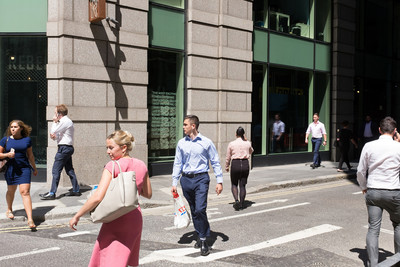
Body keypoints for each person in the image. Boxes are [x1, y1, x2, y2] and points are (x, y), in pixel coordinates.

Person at [69, 130, 152, 267]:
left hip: (116, 218)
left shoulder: (112, 166)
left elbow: (97, 197)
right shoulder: (141, 165)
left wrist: (78, 215)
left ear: (123, 148)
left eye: (111, 148)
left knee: (108, 260)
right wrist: (132, 187)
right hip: (134, 217)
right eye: (107, 147)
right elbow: (148, 194)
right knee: (122, 260)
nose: (108, 151)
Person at [171, 115, 223, 256]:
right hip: (186, 180)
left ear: (193, 126)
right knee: (194, 210)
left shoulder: (206, 142)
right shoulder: (182, 143)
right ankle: (202, 234)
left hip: (201, 179)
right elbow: (177, 163)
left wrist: (219, 181)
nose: (183, 127)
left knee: (200, 209)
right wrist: (174, 182)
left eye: (185, 124)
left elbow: (215, 161)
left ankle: (203, 240)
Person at [357, 116, 400, 267]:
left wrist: (363, 187)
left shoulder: (369, 146)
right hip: (394, 191)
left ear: (379, 130)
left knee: (373, 228)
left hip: (373, 191)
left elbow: (361, 170)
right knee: (398, 224)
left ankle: (372, 264)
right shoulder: (398, 147)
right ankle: (398, 260)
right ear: (395, 131)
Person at [0, 120, 38, 229]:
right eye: (11, 127)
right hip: (11, 169)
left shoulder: (27, 140)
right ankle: (9, 209)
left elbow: (30, 156)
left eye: (15, 127)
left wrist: (34, 168)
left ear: (21, 128)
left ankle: (30, 219)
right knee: (11, 191)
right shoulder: (5, 140)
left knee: (25, 192)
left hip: (24, 169)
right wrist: (7, 154)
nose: (12, 129)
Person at [40, 104, 80, 200]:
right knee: (69, 169)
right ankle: (76, 190)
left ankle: (52, 193)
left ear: (59, 113)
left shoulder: (65, 121)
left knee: (55, 170)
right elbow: (58, 135)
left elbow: (54, 130)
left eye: (55, 112)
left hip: (64, 148)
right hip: (65, 147)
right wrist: (55, 137)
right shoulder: (64, 122)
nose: (54, 114)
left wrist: (54, 122)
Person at [225, 127, 253, 211]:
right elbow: (251, 151)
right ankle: (241, 204)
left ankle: (236, 200)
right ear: (243, 134)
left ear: (236, 134)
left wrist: (227, 166)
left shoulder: (231, 144)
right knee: (242, 185)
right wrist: (246, 140)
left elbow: (228, 156)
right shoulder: (248, 143)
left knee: (234, 184)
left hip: (235, 164)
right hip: (245, 164)